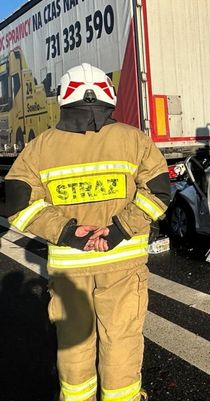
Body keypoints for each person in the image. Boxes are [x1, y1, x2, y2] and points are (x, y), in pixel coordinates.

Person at [4, 63, 170, 401]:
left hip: (70, 267)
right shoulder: (134, 140)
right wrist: (118, 231)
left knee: (74, 343)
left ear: (64, 99)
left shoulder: (40, 147)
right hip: (122, 264)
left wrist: (70, 233)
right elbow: (159, 193)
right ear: (108, 98)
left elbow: (19, 205)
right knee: (120, 340)